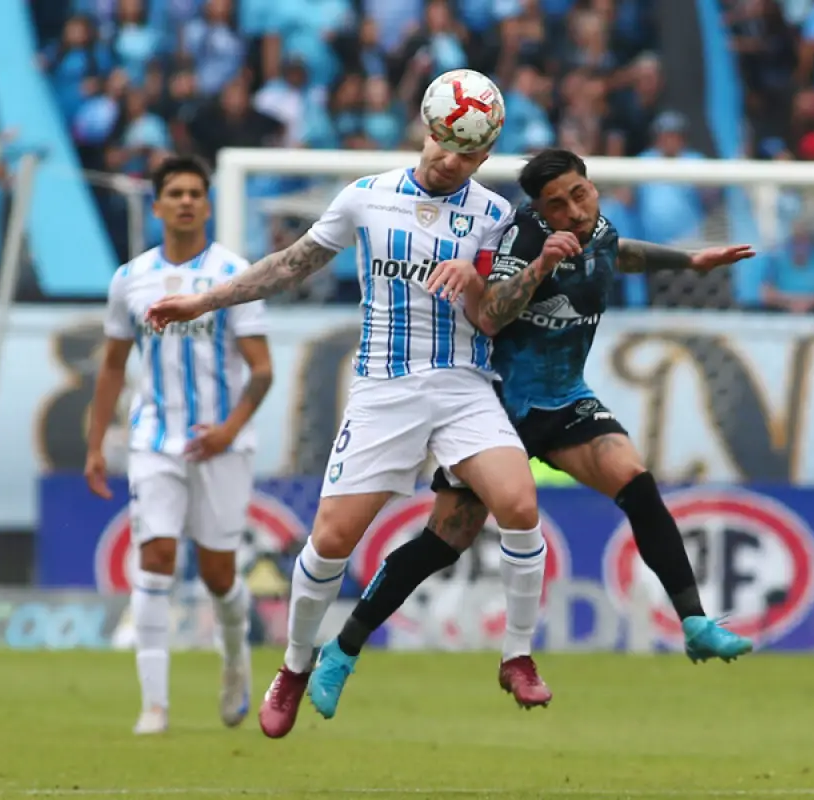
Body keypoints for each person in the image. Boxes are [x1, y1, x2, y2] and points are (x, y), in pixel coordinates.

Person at [306, 148, 757, 720]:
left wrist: (690, 262)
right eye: (557, 203)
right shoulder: (524, 235)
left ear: (590, 185)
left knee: (635, 482)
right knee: (444, 542)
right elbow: (490, 312)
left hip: (565, 400)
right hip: (498, 408)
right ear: (539, 209)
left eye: (579, 194)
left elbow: (621, 253)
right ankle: (342, 652)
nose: (573, 209)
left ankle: (694, 622)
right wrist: (541, 265)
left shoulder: (600, 226)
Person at [143, 132, 554, 739]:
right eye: (447, 144)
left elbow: (492, 315)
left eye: (468, 154)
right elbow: (290, 265)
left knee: (519, 504)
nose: (452, 160)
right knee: (331, 539)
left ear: (484, 158)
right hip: (384, 389)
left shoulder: (495, 216)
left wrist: (474, 278)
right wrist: (205, 301)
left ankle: (516, 655)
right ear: (427, 130)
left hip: (464, 382)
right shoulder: (366, 198)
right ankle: (294, 664)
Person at [85, 154, 274, 735]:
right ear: (159, 205)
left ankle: (237, 661)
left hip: (222, 443)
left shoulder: (237, 274)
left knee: (219, 574)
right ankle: (155, 705)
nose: (187, 201)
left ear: (208, 205)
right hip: (154, 440)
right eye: (177, 193)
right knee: (157, 557)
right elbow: (114, 366)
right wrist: (95, 445)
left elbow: (262, 370)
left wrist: (228, 431)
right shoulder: (130, 278)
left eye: (196, 192)